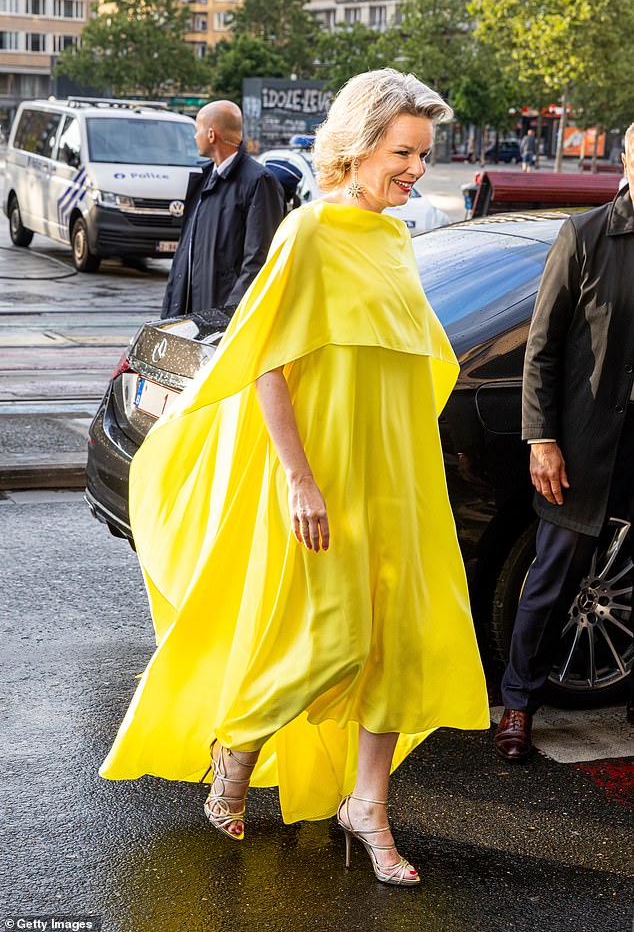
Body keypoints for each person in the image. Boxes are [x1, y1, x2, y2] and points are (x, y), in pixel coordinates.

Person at [100, 69, 489, 886]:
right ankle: (236, 746)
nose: (419, 169)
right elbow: (269, 363)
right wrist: (299, 479)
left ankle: (369, 807)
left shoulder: (392, 239)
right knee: (336, 635)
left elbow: (409, 359)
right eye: (405, 152)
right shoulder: (310, 231)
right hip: (330, 473)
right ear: (358, 143)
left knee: (399, 646)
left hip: (398, 469)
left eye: (425, 154)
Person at [494, 121, 634, 763]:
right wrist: (541, 438)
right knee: (552, 579)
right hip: (582, 446)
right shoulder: (585, 237)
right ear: (626, 159)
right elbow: (541, 351)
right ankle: (519, 704)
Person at [162, 100, 284, 319]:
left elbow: (259, 260)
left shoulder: (258, 181)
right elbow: (184, 255)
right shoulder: (205, 178)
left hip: (225, 321)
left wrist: (228, 316)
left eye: (197, 129)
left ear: (211, 135)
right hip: (192, 317)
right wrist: (171, 311)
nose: (194, 136)